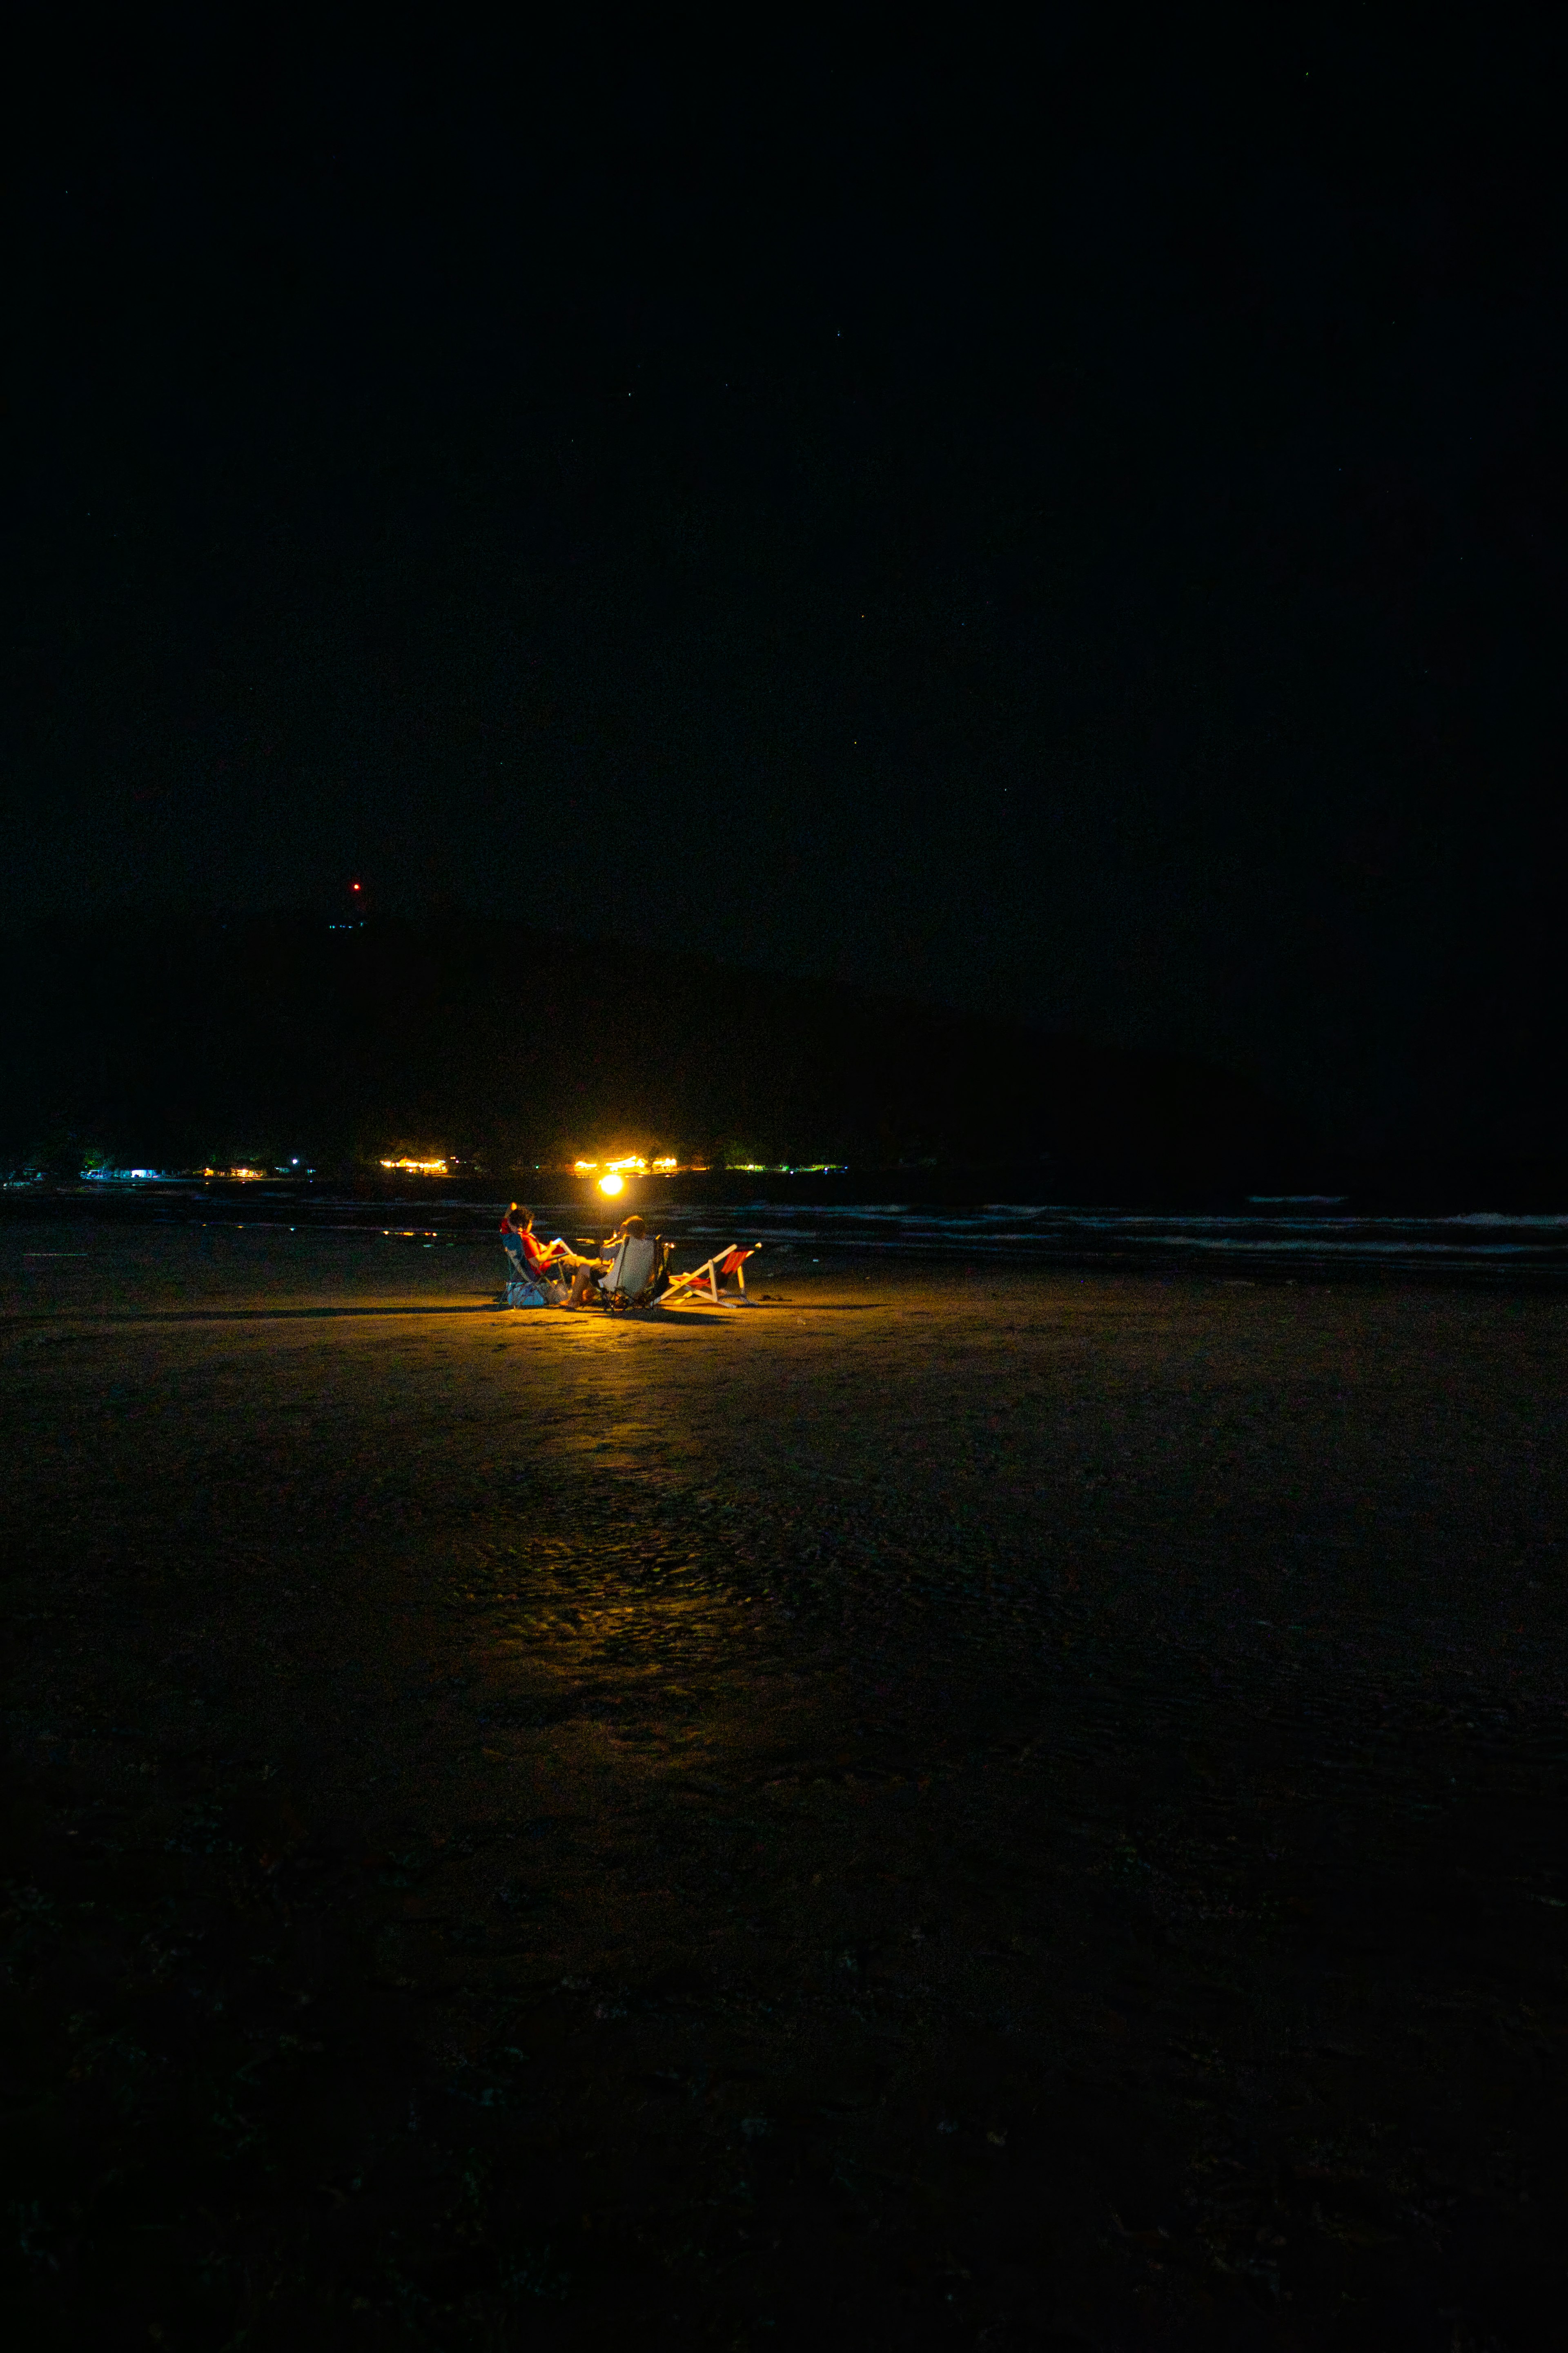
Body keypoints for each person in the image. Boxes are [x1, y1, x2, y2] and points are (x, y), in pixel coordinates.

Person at [499, 1204, 601, 1304]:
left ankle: (581, 1292)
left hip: (537, 1270)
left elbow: (508, 1219)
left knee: (573, 1260)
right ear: (523, 1224)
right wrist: (551, 1248)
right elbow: (537, 1261)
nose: (532, 1225)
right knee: (574, 1263)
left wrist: (548, 1248)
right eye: (530, 1223)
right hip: (541, 1272)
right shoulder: (525, 1240)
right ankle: (580, 1295)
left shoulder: (513, 1238)